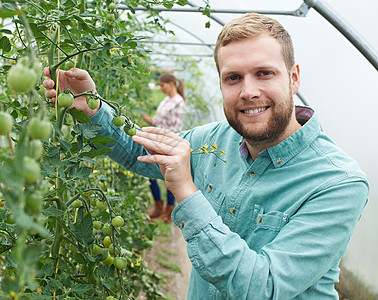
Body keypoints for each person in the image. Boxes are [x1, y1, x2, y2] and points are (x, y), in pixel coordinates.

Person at [43, 13, 369, 299]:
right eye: (233, 78)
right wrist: (93, 109)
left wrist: (185, 191)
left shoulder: (336, 182)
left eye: (264, 73)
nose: (249, 91)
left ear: (294, 78)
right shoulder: (214, 140)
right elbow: (138, 151)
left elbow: (262, 287)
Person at [141, 72, 186, 223]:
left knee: (168, 176)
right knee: (151, 175)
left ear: (171, 84)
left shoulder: (178, 101)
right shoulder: (167, 100)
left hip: (168, 142)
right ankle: (159, 207)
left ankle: (169, 211)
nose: (161, 88)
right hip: (157, 140)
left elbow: (176, 127)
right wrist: (149, 121)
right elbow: (159, 120)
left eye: (162, 85)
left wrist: (165, 141)